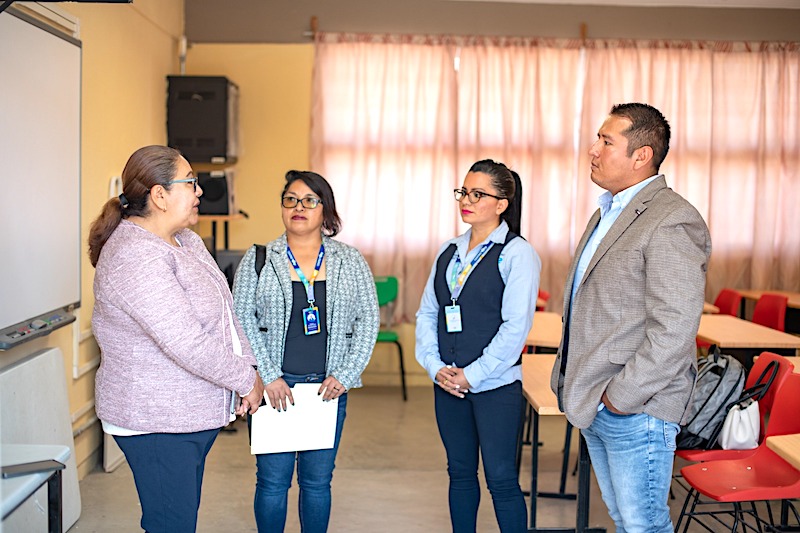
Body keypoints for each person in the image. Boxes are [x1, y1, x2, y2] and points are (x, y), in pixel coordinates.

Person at [550, 103, 712, 532]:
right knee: (625, 520)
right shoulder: (608, 211)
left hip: (634, 406)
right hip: (597, 398)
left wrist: (620, 397)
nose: (593, 150)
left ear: (641, 155)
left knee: (643, 525)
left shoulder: (671, 218)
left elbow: (674, 329)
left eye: (606, 141)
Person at [88, 145, 264, 533]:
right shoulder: (136, 255)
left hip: (186, 419)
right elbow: (186, 341)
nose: (200, 192)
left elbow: (225, 313)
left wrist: (248, 367)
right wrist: (245, 380)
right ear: (159, 195)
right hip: (155, 421)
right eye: (191, 182)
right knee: (171, 524)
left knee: (177, 520)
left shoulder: (186, 241)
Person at [232, 170, 379, 533]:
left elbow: (368, 320)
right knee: (272, 482)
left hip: (326, 390)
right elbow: (241, 320)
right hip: (276, 389)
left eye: (310, 200)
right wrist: (267, 376)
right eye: (291, 199)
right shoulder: (259, 258)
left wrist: (345, 375)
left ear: (325, 210)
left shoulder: (350, 260)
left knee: (317, 482)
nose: (299, 207)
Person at [416, 159, 541, 533]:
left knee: (501, 479)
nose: (466, 200)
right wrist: (434, 366)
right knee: (459, 474)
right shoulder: (449, 251)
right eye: (463, 192)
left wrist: (473, 375)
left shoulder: (517, 253)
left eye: (477, 194)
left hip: (494, 388)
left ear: (501, 203)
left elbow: (515, 328)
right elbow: (427, 313)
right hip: (448, 383)